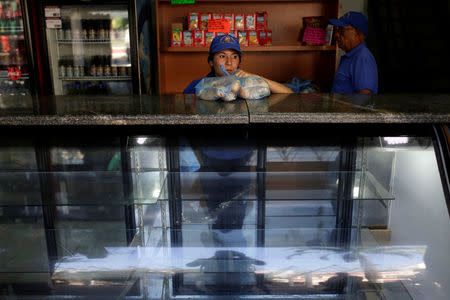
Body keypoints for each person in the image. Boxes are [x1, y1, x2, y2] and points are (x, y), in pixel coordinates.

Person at [183, 34, 293, 94]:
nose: (229, 62)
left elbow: (289, 94)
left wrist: (256, 77)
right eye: (222, 56)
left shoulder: (248, 83)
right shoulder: (198, 85)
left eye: (234, 57)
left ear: (239, 61)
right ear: (211, 62)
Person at [329, 11, 378, 94]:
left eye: (341, 30)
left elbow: (364, 96)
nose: (336, 35)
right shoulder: (353, 56)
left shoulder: (362, 57)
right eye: (337, 30)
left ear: (358, 33)